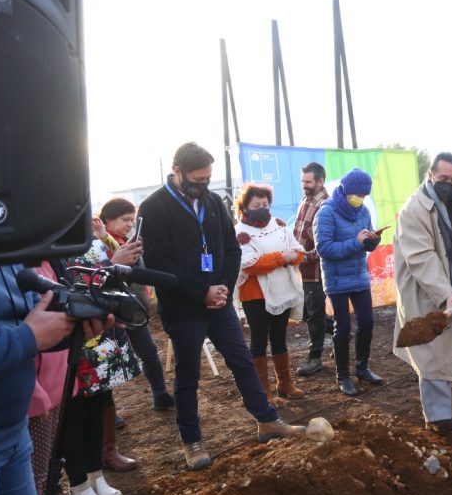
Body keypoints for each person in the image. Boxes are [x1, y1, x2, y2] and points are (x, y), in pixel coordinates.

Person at [139, 142, 305, 470]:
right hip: (183, 306)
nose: (203, 185)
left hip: (219, 302)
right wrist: (201, 291)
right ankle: (192, 440)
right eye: (197, 179)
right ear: (177, 172)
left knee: (242, 361)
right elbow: (157, 263)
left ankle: (267, 420)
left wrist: (224, 290)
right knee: (187, 375)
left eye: (207, 178)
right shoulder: (153, 208)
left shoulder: (214, 202)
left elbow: (231, 249)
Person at [0, 264, 107, 495]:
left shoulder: (5, 250)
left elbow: (26, 319)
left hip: (11, 429)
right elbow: (26, 333)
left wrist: (74, 324)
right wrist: (26, 337)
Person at [393, 152, 452, 433]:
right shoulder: (414, 209)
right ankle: (436, 418)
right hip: (425, 293)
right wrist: (445, 294)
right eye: (444, 178)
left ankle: (441, 410)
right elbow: (422, 259)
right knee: (431, 353)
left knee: (442, 351)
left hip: (451, 289)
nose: (449, 183)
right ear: (430, 175)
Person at [55, 235, 145, 495]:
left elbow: (109, 285)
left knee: (98, 408)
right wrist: (109, 264)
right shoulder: (49, 248)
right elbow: (68, 289)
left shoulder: (90, 243)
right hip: (69, 342)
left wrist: (117, 267)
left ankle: (97, 475)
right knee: (73, 416)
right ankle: (79, 486)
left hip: (98, 337)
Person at [27, 262, 97, 495]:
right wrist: (34, 393)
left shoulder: (49, 258)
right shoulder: (6, 259)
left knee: (39, 476)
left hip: (55, 381)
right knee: (27, 481)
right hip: (28, 393)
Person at [98, 198, 175, 413]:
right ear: (107, 219)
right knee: (108, 362)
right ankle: (109, 415)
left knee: (149, 353)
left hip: (133, 309)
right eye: (125, 219)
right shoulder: (99, 245)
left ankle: (160, 394)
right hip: (109, 311)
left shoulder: (126, 243)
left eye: (132, 220)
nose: (129, 224)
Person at [235, 184, 306, 408]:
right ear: (245, 207)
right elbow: (250, 264)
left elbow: (298, 252)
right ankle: (262, 390)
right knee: (258, 340)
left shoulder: (279, 225)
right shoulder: (240, 233)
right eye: (256, 205)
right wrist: (280, 257)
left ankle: (284, 382)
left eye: (265, 204)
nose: (262, 208)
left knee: (279, 336)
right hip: (255, 294)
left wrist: (287, 257)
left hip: (281, 289)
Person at [314, 168, 384, 396]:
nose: (361, 199)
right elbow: (323, 249)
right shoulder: (326, 212)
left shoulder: (363, 211)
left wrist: (373, 240)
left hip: (359, 276)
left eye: (364, 195)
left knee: (367, 322)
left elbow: (366, 242)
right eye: (358, 194)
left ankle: (362, 367)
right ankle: (342, 375)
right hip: (336, 279)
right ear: (345, 190)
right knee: (342, 328)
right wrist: (356, 242)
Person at [293, 162, 330, 376]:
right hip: (302, 268)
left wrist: (304, 257)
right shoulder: (305, 200)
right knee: (308, 311)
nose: (304, 185)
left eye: (308, 182)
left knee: (314, 314)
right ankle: (338, 331)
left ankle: (314, 358)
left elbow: (325, 245)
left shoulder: (326, 205)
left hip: (316, 270)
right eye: (302, 182)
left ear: (320, 181)